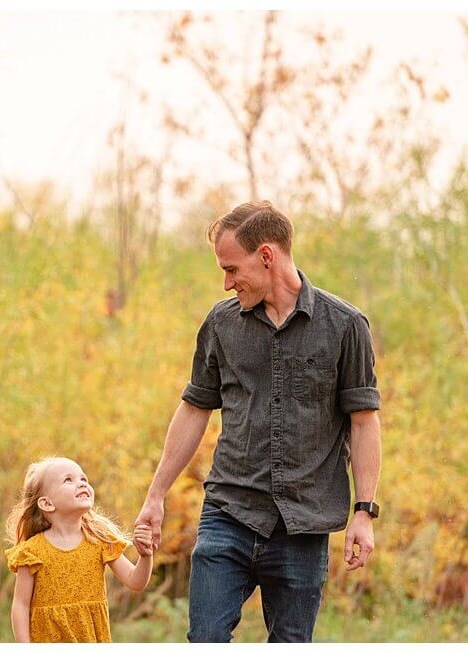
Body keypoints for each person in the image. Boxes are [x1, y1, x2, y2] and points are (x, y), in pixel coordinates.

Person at [134, 201, 383, 642]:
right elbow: (194, 408)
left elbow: (364, 422)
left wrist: (364, 512)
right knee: (204, 639)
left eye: (232, 269)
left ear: (266, 256)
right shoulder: (221, 324)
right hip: (228, 511)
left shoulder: (344, 326)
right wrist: (156, 494)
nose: (227, 283)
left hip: (303, 525)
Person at [5, 457, 155, 643]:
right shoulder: (31, 552)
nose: (81, 483)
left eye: (83, 479)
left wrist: (145, 555)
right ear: (47, 503)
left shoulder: (100, 540)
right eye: (69, 480)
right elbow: (20, 606)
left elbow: (136, 581)